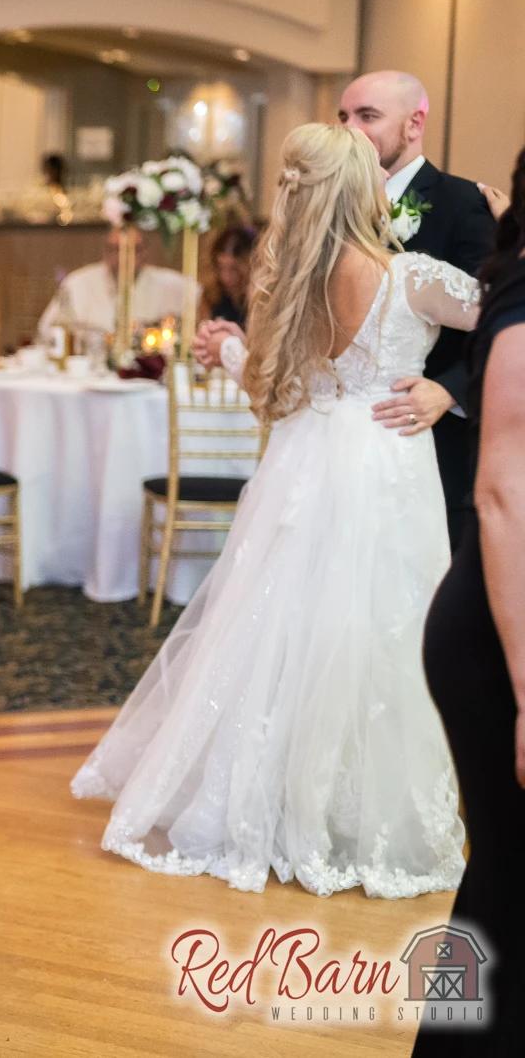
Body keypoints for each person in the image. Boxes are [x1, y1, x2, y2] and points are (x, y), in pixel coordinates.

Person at [71, 123, 477, 897]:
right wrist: (449, 388)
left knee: (281, 629)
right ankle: (348, 814)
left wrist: (226, 350)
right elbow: (505, 319)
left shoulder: (284, 285)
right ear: (366, 190)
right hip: (384, 463)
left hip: (306, 464)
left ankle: (275, 802)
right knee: (373, 634)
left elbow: (267, 389)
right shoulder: (414, 278)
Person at [413, 152, 524, 1058]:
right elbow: (502, 498)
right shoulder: (522, 308)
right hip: (501, 628)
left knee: (504, 873)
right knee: (502, 873)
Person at [341, 71, 496, 541]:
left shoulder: (462, 203)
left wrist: (450, 392)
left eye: (368, 116)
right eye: (343, 116)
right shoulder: (333, 207)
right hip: (344, 437)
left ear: (414, 124)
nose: (350, 130)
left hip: (428, 438)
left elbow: (500, 321)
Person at [36, 227, 190, 340]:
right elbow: (48, 330)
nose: (123, 257)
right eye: (115, 249)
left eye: (132, 250)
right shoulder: (78, 282)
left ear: (145, 252)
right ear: (105, 252)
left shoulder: (172, 285)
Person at [203, 224, 255, 326]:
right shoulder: (211, 296)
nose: (225, 277)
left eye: (234, 269)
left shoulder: (258, 300)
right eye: (220, 267)